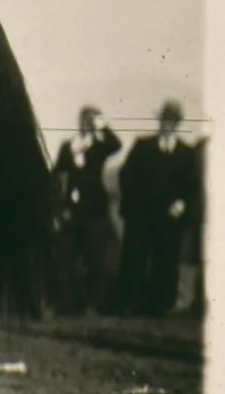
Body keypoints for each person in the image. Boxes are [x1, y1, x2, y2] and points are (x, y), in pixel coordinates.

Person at [119, 100, 199, 316]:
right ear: (159, 121)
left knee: (166, 259)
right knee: (136, 257)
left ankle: (161, 304)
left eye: (172, 121)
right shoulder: (142, 146)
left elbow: (193, 187)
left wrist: (181, 205)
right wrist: (134, 208)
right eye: (165, 120)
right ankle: (132, 303)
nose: (167, 125)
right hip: (142, 216)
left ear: (178, 124)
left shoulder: (186, 153)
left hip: (170, 217)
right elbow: (126, 176)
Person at [50, 106, 122, 314]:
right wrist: (60, 205)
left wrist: (103, 126)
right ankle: (67, 304)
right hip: (71, 211)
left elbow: (116, 145)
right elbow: (57, 174)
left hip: (95, 210)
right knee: (64, 257)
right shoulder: (68, 146)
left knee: (96, 259)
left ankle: (93, 305)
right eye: (85, 120)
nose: (87, 124)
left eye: (90, 121)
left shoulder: (100, 146)